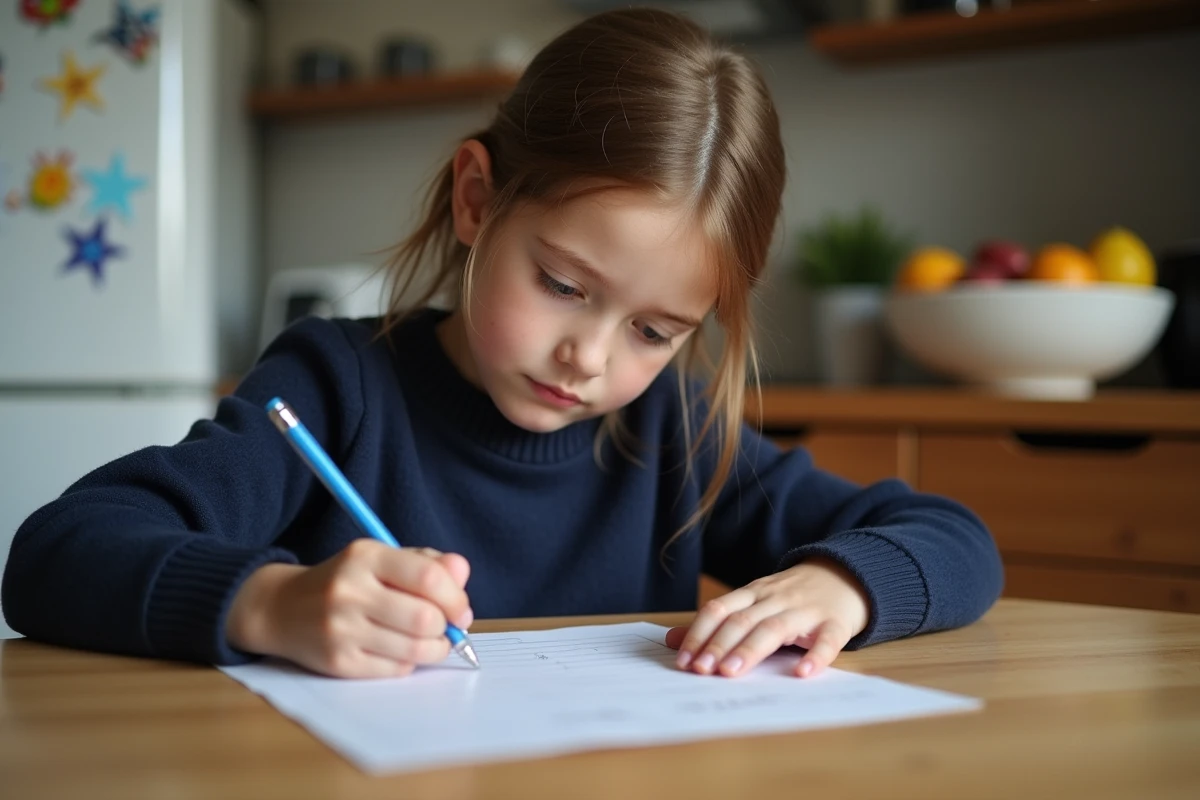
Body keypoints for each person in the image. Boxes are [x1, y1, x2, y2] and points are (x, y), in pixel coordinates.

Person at [2, 9, 1002, 681]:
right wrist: (266, 602)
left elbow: (957, 539)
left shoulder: (675, 430)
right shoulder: (334, 387)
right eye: (563, 285)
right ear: (476, 200)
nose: (590, 356)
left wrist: (844, 581)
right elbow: (52, 554)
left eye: (655, 330)